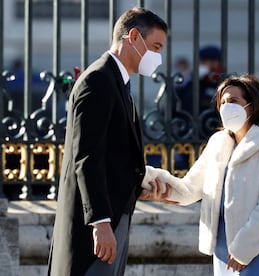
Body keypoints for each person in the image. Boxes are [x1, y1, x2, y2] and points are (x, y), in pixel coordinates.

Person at [47, 7, 169, 276]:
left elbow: (115, 154)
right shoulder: (99, 80)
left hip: (115, 216)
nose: (158, 57)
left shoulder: (117, 82)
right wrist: (100, 223)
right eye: (156, 47)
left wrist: (142, 183)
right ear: (134, 37)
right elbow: (87, 156)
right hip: (95, 228)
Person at [144, 74, 259, 275]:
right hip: (222, 250)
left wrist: (243, 251)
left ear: (253, 105)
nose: (226, 107)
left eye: (233, 101)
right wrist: (149, 181)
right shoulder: (218, 143)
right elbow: (189, 188)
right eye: (222, 102)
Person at [175, 45, 223, 115]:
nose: (208, 64)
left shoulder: (222, 83)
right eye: (204, 61)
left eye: (212, 61)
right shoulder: (190, 82)